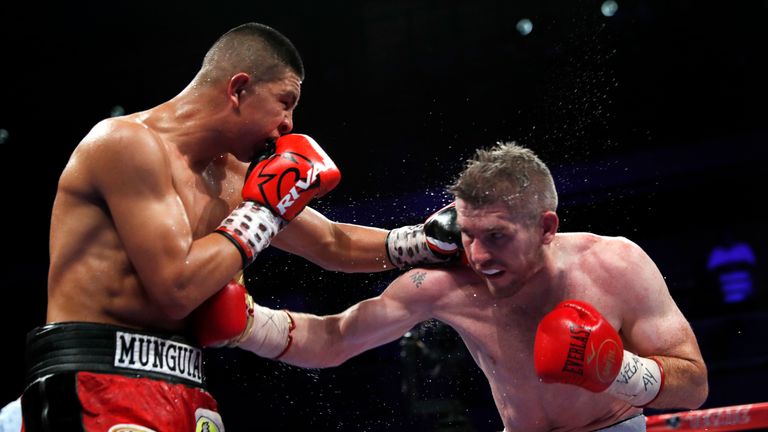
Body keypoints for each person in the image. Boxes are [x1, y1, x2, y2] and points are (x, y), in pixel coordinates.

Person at [22, 22, 454, 432]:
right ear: (239, 88)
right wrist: (262, 213)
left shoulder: (233, 179)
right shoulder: (125, 144)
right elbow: (175, 289)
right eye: (285, 102)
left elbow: (331, 244)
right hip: (94, 381)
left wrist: (424, 242)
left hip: (185, 389)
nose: (289, 124)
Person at [199, 142, 709, 431]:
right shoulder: (443, 284)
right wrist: (249, 325)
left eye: (497, 237)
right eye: (468, 234)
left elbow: (694, 384)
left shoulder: (614, 264)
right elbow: (335, 339)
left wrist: (615, 368)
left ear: (547, 228)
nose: (479, 255)